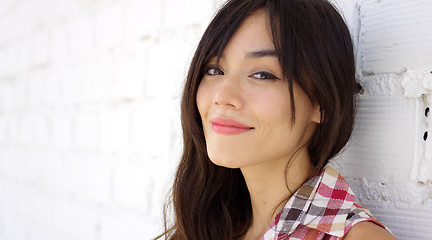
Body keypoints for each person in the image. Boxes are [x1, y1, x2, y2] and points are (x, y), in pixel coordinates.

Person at [158, 0, 397, 239]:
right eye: (214, 70)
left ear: (322, 101)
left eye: (262, 74)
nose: (222, 96)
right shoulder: (206, 224)